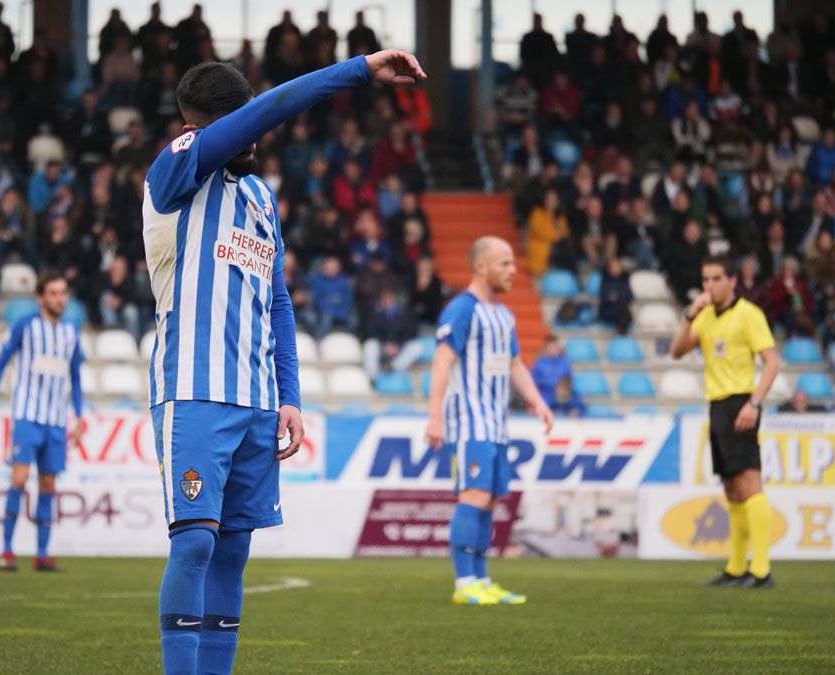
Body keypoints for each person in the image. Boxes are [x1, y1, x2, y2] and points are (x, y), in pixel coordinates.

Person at [140, 49, 425, 675]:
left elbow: (276, 304)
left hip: (255, 401)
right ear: (200, 127)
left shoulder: (261, 199)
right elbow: (271, 110)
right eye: (238, 123)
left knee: (233, 553)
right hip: (193, 388)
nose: (256, 135)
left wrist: (289, 395)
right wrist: (357, 70)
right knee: (193, 543)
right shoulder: (174, 172)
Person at [426, 236, 554, 606]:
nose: (513, 271)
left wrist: (537, 402)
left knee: (490, 499)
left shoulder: (503, 314)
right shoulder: (462, 309)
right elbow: (441, 362)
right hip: (469, 422)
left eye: (513, 264)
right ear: (481, 266)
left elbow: (514, 365)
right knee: (475, 495)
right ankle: (464, 581)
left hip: (497, 424)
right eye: (505, 264)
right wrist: (435, 417)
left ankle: (481, 580)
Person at [670, 254, 780, 588]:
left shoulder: (749, 314)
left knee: (749, 482)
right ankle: (735, 567)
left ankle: (760, 570)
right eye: (705, 280)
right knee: (731, 488)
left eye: (716, 278)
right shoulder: (703, 317)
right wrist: (690, 313)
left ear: (732, 281)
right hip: (717, 405)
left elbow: (771, 362)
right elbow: (676, 351)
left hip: (740, 402)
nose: (710, 286)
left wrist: (755, 403)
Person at [0, 272, 85, 572]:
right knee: (18, 479)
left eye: (63, 292)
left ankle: (41, 553)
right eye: (53, 293)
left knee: (49, 485)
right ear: (41, 297)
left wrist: (79, 416)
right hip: (27, 416)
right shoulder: (25, 326)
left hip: (55, 421)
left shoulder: (70, 333)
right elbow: (2, 361)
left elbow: (75, 377)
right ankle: (8, 551)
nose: (59, 298)